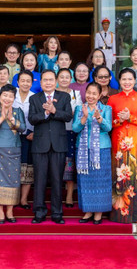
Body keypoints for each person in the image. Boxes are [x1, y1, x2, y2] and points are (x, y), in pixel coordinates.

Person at [28, 70, 73, 224]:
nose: (48, 82)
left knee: (56, 180)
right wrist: (45, 113)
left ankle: (57, 213)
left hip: (58, 145)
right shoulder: (34, 98)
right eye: (45, 80)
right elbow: (32, 119)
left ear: (56, 82)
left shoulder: (64, 96)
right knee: (39, 180)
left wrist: (54, 111)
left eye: (51, 80)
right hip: (40, 145)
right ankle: (39, 213)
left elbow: (68, 116)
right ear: (40, 83)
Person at [108, 69, 137, 223]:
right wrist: (120, 120)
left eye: (130, 79)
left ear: (135, 81)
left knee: (136, 175)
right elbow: (109, 124)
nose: (127, 82)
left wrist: (130, 118)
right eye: (124, 79)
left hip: (136, 142)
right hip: (118, 141)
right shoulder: (113, 99)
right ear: (119, 81)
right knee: (119, 175)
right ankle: (119, 215)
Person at [72, 82, 113, 224]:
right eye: (88, 93)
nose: (90, 96)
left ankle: (99, 213)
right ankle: (88, 211)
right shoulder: (79, 108)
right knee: (85, 181)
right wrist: (83, 118)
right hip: (83, 148)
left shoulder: (106, 108)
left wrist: (99, 118)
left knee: (101, 181)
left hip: (102, 148)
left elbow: (108, 127)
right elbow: (75, 128)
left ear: (100, 95)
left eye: (94, 93)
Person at [0, 84, 27, 223]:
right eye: (5, 95)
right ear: (0, 96)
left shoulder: (17, 110)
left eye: (10, 96)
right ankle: (0, 213)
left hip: (13, 149)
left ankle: (9, 211)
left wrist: (12, 119)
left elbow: (23, 129)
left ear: (14, 98)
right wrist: (2, 118)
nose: (7, 98)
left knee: (12, 181)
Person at [56, 68, 82, 207]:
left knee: (70, 164)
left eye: (67, 77)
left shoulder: (75, 93)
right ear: (57, 79)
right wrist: (65, 113)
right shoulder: (52, 93)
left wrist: (60, 112)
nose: (64, 79)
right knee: (57, 164)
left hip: (71, 131)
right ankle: (57, 195)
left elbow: (76, 113)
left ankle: (70, 195)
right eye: (62, 77)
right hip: (55, 132)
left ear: (71, 79)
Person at [14, 71, 36, 209]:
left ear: (32, 83)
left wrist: (36, 132)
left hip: (30, 136)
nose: (25, 83)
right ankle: (14, 197)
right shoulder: (11, 95)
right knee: (15, 167)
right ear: (18, 82)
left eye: (28, 81)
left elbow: (40, 118)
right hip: (13, 136)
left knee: (28, 167)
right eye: (23, 80)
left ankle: (23, 199)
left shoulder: (35, 97)